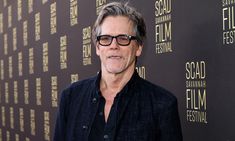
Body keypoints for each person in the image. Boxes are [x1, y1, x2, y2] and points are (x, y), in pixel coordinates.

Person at [53, 2, 182, 141]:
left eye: (123, 39)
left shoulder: (162, 105)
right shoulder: (71, 98)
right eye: (105, 38)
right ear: (97, 47)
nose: (113, 46)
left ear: (138, 47)